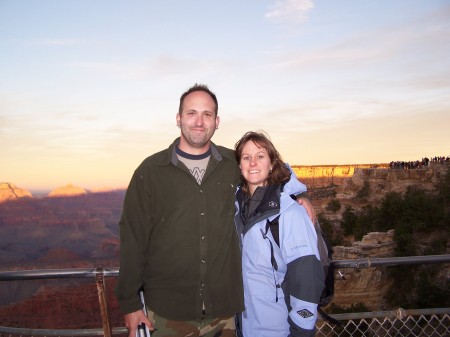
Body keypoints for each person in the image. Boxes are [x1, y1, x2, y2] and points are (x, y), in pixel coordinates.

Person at [115, 84, 316, 337]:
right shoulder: (150, 172)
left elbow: (271, 168)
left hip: (224, 317)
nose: (199, 121)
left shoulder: (232, 163)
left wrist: (300, 194)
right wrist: (130, 305)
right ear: (178, 119)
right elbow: (133, 239)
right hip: (167, 314)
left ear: (217, 121)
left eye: (207, 114)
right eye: (191, 113)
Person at [234, 131, 325, 337]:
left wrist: (301, 331)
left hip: (278, 329)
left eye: (260, 156)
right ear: (239, 166)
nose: (253, 163)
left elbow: (307, 279)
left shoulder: (290, 213)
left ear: (272, 163)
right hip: (243, 326)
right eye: (246, 158)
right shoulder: (237, 208)